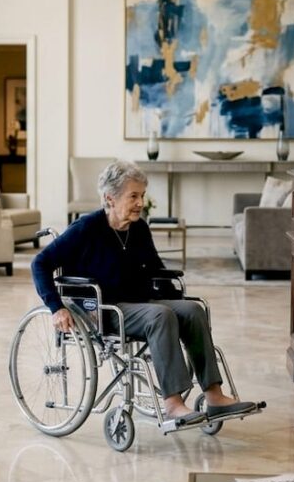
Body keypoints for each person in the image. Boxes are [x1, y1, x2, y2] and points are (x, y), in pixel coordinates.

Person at [30, 160, 252, 425]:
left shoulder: (139, 229)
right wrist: (57, 307)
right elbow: (39, 263)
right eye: (133, 196)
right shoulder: (86, 229)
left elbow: (156, 268)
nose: (140, 203)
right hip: (105, 310)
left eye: (142, 196)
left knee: (192, 310)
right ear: (110, 199)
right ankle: (173, 404)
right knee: (160, 316)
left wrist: (176, 300)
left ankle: (214, 397)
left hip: (140, 302)